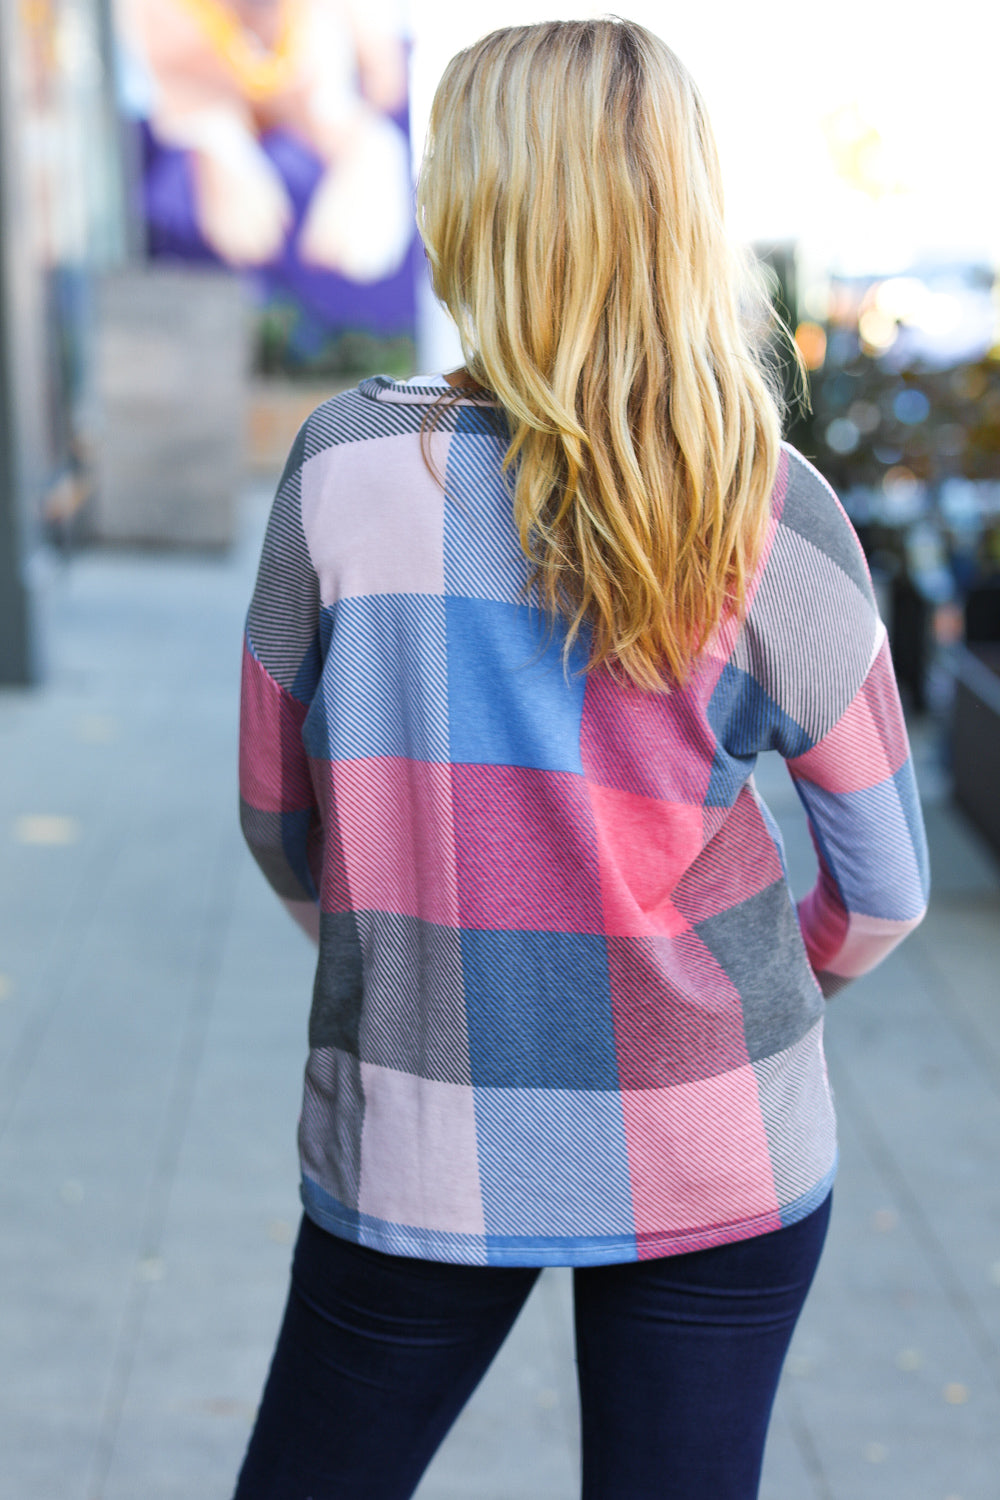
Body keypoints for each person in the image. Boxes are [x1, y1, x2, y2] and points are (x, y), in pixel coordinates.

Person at [235, 19, 929, 1499]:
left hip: (418, 1131)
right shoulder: (772, 504)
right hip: (721, 1141)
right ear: (681, 201)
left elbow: (278, 822)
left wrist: (422, 956)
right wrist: (748, 1011)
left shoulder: (344, 467)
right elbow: (882, 895)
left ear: (475, 206)